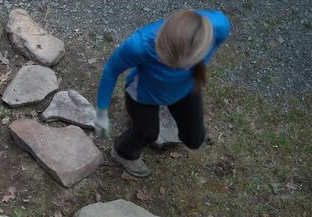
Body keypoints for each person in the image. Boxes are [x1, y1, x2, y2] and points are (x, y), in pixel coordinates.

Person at [93, 10, 231, 177]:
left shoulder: (219, 28)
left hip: (185, 90)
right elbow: (111, 70)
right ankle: (123, 154)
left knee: (194, 139)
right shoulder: (140, 44)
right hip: (144, 94)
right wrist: (101, 111)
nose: (173, 69)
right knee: (147, 132)